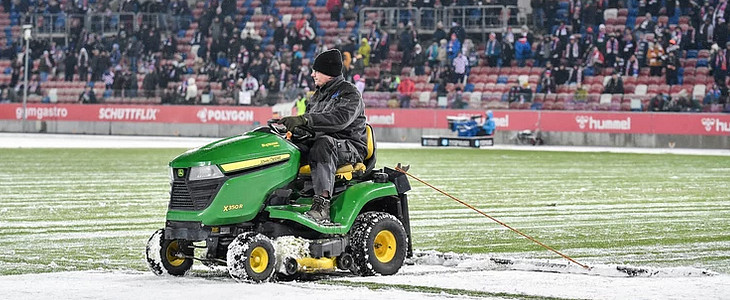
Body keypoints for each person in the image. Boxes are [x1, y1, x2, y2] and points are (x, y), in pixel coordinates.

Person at [276, 49, 367, 224]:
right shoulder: (318, 96)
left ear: (328, 72)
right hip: (323, 142)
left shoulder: (349, 93)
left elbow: (338, 121)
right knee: (287, 147)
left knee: (324, 144)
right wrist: (290, 132)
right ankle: (278, 195)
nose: (312, 74)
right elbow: (311, 128)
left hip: (349, 146)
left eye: (316, 71)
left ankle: (322, 204)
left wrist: (304, 119)